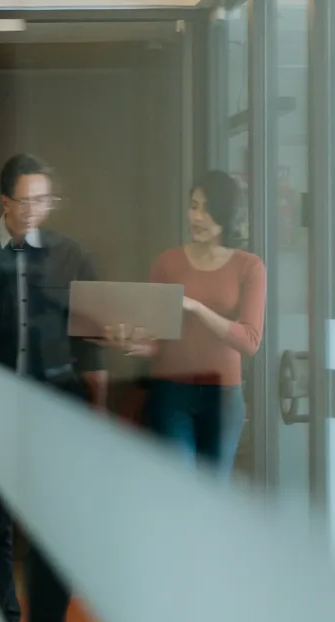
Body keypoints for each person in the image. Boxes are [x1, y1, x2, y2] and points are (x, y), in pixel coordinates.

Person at [0, 154, 106, 622]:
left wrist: (94, 413)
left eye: (43, 200)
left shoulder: (70, 256)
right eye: (26, 201)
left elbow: (91, 341)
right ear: (6, 202)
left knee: (53, 529)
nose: (35, 210)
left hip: (56, 408)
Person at [105, 170, 266, 477]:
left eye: (206, 208)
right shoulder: (167, 262)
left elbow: (250, 341)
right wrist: (129, 344)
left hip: (223, 397)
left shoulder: (250, 266)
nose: (197, 216)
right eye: (193, 206)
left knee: (211, 497)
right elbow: (157, 343)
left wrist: (195, 307)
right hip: (171, 393)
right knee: (179, 491)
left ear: (226, 214)